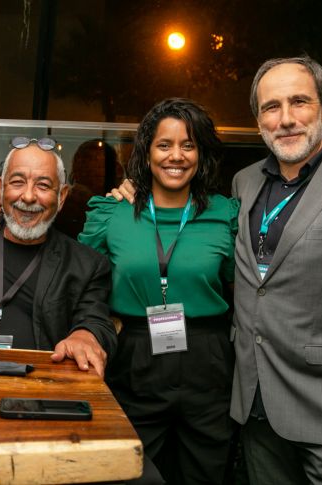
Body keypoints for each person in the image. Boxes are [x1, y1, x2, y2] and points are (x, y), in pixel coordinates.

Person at [113, 56, 322, 484]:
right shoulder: (245, 183)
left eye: (299, 102)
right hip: (256, 410)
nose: (286, 119)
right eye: (271, 107)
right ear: (259, 119)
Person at [79, 98, 239, 484]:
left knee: (205, 474)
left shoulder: (225, 214)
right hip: (134, 356)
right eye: (164, 145)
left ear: (201, 154)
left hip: (208, 359)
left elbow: (245, 286)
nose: (176, 156)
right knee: (133, 472)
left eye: (188, 145)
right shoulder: (112, 213)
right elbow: (76, 279)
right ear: (147, 152)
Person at [0, 137, 117, 376]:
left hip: (39, 384)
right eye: (17, 182)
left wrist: (85, 336)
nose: (28, 196)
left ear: (62, 196)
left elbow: (96, 320)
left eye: (43, 185)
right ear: (1, 188)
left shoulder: (86, 264)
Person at [55, 139, 121, 239]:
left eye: (101, 165)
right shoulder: (70, 202)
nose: (97, 170)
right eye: (92, 162)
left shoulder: (115, 200)